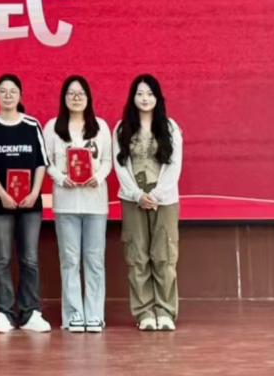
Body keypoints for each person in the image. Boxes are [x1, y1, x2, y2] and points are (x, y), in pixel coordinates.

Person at [0, 74, 52, 334]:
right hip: (0, 205)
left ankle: (31, 312)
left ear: (20, 95)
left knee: (30, 259)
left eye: (13, 91)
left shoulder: (32, 125)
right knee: (2, 259)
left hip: (31, 204)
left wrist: (35, 192)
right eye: (3, 91)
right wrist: (2, 194)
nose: (8, 95)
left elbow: (41, 162)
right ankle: (4, 313)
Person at [112, 74, 183, 332]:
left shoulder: (170, 127)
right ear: (133, 97)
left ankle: (165, 311)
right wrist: (137, 195)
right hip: (133, 201)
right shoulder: (122, 128)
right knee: (137, 256)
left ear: (157, 98)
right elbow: (120, 166)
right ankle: (144, 312)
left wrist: (157, 195)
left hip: (165, 201)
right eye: (140, 93)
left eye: (150, 94)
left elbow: (174, 165)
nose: (145, 98)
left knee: (164, 256)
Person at [44, 75, 112, 334]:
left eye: (80, 93)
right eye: (71, 93)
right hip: (66, 203)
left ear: (88, 98)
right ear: (64, 98)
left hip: (95, 203)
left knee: (94, 260)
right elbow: (46, 161)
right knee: (70, 260)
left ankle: (94, 315)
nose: (76, 97)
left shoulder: (101, 126)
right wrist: (61, 178)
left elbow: (107, 161)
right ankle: (73, 314)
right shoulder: (53, 127)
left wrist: (99, 176)